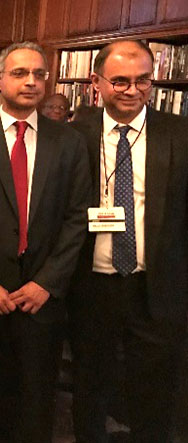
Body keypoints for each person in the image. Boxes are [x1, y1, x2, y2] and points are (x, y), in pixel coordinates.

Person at [0, 41, 92, 443]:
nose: (31, 82)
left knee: (35, 407)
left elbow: (77, 218)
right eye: (20, 73)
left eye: (39, 74)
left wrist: (47, 283)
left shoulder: (69, 143)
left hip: (41, 300)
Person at [68, 40, 188, 443]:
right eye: (120, 81)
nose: (132, 90)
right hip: (89, 286)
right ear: (96, 82)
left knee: (156, 394)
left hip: (156, 287)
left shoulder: (179, 134)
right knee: (89, 387)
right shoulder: (72, 136)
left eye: (143, 81)